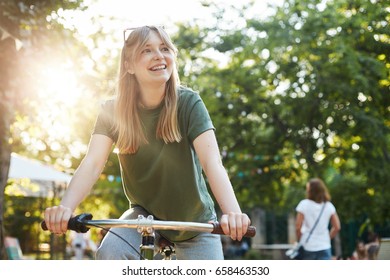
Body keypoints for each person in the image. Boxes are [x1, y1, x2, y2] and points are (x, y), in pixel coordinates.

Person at [43, 25, 251, 260]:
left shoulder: (189, 103)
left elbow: (212, 163)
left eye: (164, 48)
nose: (159, 56)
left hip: (194, 219)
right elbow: (92, 163)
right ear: (129, 65)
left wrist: (233, 213)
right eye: (147, 50)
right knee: (111, 253)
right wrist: (65, 209)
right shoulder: (112, 111)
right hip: (143, 217)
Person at [294, 178, 341, 260]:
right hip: (324, 246)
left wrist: (300, 239)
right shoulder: (329, 206)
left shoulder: (304, 204)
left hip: (307, 246)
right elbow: (337, 227)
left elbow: (298, 227)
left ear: (310, 191)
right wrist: (327, 238)